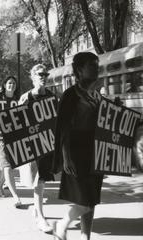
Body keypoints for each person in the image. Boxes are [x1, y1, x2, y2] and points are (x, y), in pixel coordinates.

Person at [52, 52, 104, 240]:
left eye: (97, 65)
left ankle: (85, 237)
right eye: (92, 65)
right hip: (76, 151)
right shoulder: (70, 95)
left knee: (92, 199)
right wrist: (66, 156)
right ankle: (62, 224)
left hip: (95, 151)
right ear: (80, 70)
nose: (96, 68)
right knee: (85, 200)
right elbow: (63, 128)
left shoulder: (97, 94)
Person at [18, 64, 54, 233]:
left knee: (42, 179)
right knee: (38, 180)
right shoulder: (26, 97)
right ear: (32, 77)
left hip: (47, 145)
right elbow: (16, 124)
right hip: (32, 146)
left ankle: (36, 209)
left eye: (45, 74)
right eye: (40, 74)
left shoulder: (52, 96)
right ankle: (40, 216)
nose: (43, 77)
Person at [0, 76, 22, 208]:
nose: (12, 85)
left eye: (14, 83)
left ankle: (0, 186)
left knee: (9, 165)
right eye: (9, 82)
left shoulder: (18, 100)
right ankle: (16, 196)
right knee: (7, 166)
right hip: (0, 137)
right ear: (5, 85)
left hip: (14, 136)